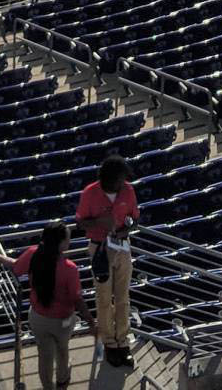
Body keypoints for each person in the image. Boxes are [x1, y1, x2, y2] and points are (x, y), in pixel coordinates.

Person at [76, 158, 139, 369]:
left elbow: (134, 217)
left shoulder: (128, 191)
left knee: (123, 297)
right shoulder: (90, 193)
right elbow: (80, 222)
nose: (123, 182)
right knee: (103, 298)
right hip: (99, 248)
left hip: (122, 246)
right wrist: (99, 223)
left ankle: (123, 342)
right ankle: (109, 344)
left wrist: (127, 229)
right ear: (110, 178)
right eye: (120, 178)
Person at [12, 221, 84, 390]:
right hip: (62, 321)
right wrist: (90, 320)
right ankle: (62, 381)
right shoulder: (70, 268)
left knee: (44, 356)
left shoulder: (32, 253)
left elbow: (16, 268)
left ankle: (48, 387)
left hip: (38, 318)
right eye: (67, 239)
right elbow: (77, 298)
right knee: (62, 350)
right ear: (59, 243)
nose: (69, 242)